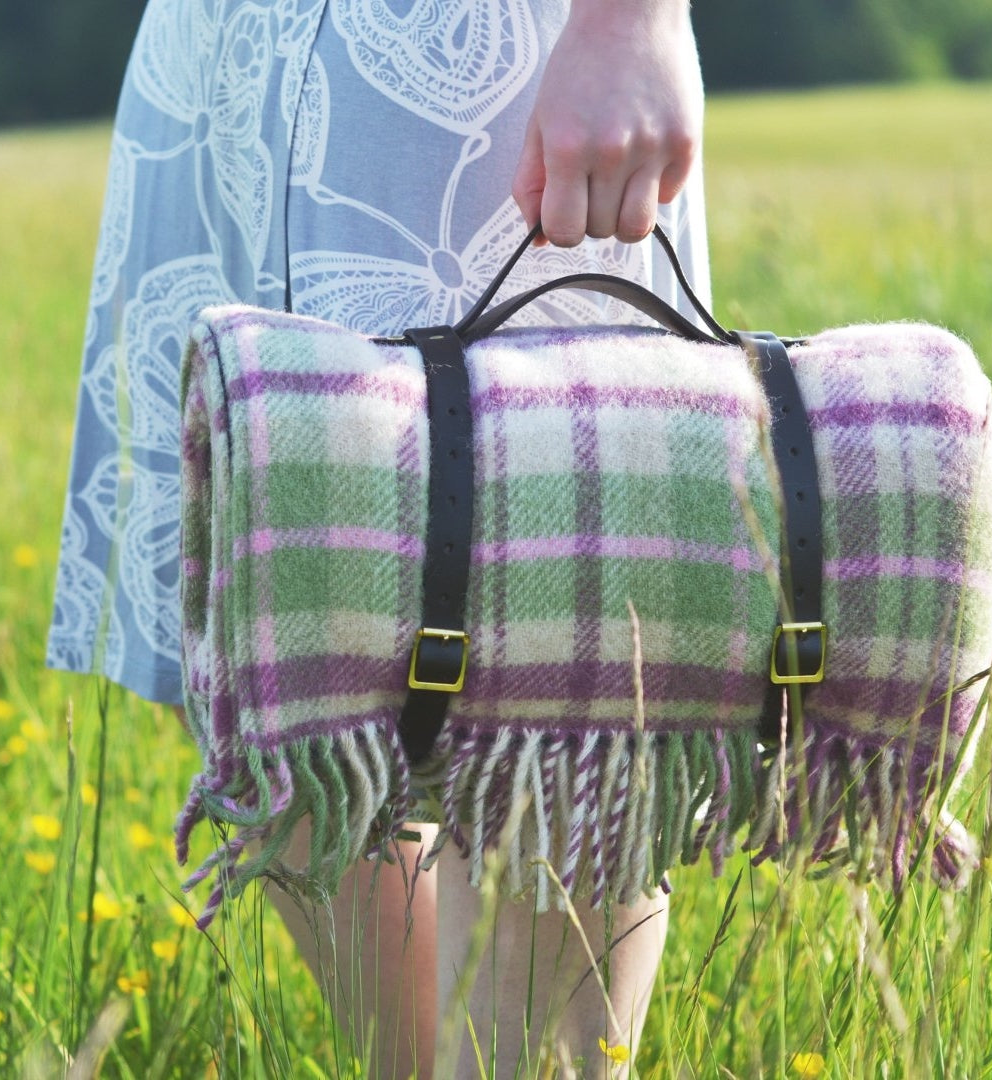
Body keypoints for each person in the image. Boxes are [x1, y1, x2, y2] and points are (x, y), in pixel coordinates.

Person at [48, 0, 710, 1075]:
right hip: (222, 52)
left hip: (475, 64)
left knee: (564, 661)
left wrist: (631, 20)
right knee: (281, 656)